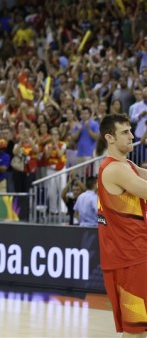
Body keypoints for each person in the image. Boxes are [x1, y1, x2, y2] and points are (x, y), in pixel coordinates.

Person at [96, 113, 147, 336]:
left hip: (136, 255)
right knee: (135, 331)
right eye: (124, 132)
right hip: (129, 259)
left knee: (139, 329)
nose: (131, 136)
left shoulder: (126, 165)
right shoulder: (114, 169)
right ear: (110, 138)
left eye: (131, 131)